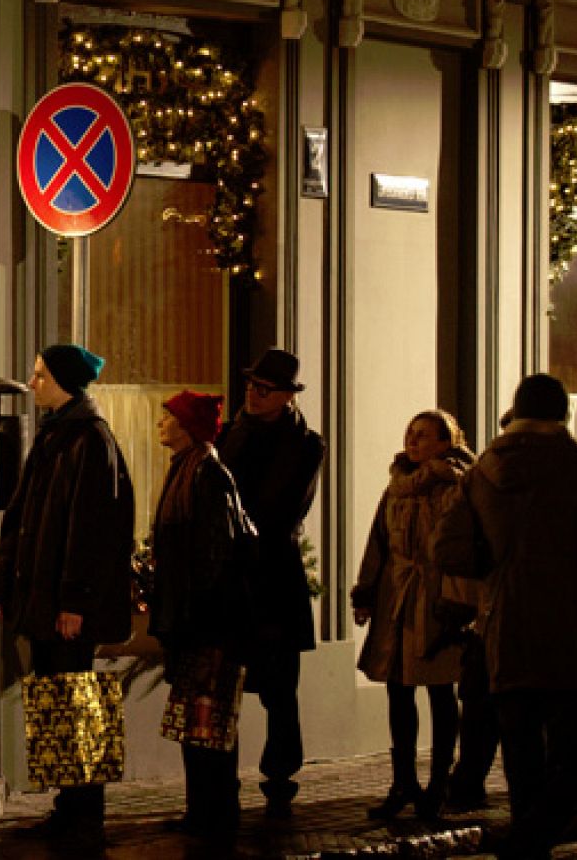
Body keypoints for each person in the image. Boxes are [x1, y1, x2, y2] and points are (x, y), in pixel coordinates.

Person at [432, 373, 577, 860]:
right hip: (567, 631)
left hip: (504, 629)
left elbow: (447, 548)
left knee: (523, 768)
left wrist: (497, 565)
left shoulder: (483, 470)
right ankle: (523, 846)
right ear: (560, 412)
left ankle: (526, 842)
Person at [0, 343, 135, 849]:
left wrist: (74, 601)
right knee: (56, 700)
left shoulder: (88, 440)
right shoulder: (58, 436)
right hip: (46, 601)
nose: (32, 384)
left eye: (39, 376)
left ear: (63, 382)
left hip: (66, 605)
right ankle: (67, 806)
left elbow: (90, 528)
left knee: (77, 702)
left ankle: (85, 813)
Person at [350, 410, 477, 820]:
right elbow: (379, 540)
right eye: (410, 433)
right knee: (398, 689)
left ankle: (439, 784)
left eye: (423, 436)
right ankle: (403, 781)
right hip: (397, 596)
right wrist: (366, 591)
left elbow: (467, 545)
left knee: (440, 690)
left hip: (438, 598)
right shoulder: (397, 486)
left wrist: (462, 599)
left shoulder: (457, 485)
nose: (413, 441)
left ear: (445, 442)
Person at [215, 347, 326, 817]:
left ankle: (280, 772)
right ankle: (223, 775)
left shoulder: (304, 443)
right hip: (231, 575)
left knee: (279, 685)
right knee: (227, 681)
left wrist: (247, 531)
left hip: (272, 575)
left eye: (265, 390)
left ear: (286, 396)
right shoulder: (231, 434)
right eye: (251, 386)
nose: (254, 395)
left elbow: (283, 506)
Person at [150, 389, 254, 841]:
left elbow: (214, 553)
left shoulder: (207, 475)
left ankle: (216, 811)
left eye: (169, 418)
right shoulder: (185, 471)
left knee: (209, 720)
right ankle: (202, 809)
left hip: (208, 622)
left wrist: (198, 617)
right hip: (191, 618)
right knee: (197, 720)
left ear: (189, 427)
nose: (161, 424)